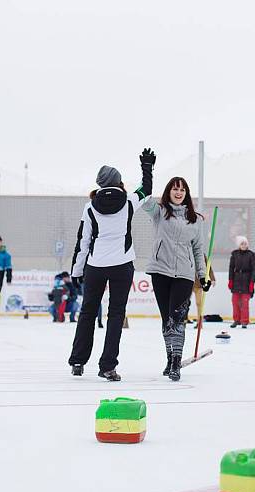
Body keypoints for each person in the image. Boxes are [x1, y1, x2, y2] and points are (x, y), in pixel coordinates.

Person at [68, 148, 154, 381]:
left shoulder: (90, 207)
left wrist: (76, 272)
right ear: (118, 182)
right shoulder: (128, 202)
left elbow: (82, 242)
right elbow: (146, 190)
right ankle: (108, 366)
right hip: (122, 265)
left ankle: (78, 360)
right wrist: (147, 167)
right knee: (116, 315)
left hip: (95, 266)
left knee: (87, 312)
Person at [144, 177, 210, 381]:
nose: (179, 192)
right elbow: (144, 199)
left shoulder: (195, 219)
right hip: (160, 271)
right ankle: (169, 357)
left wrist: (202, 275)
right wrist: (148, 172)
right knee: (167, 319)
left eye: (182, 189)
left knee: (178, 318)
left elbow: (198, 249)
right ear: (169, 191)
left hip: (184, 274)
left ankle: (176, 362)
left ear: (186, 193)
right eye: (175, 189)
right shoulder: (160, 212)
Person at [228, 236, 255, 328]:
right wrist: (230, 280)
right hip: (236, 280)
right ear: (239, 245)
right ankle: (236, 320)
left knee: (245, 303)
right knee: (235, 302)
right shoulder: (234, 254)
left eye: (245, 243)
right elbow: (231, 268)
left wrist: (252, 282)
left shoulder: (251, 255)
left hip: (247, 281)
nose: (244, 245)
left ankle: (244, 320)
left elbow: (254, 269)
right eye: (242, 243)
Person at [190, 255, 215, 329]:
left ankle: (199, 322)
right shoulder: (185, 251)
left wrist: (212, 278)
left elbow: (208, 267)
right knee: (184, 303)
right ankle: (182, 321)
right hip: (187, 282)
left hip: (198, 283)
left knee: (199, 303)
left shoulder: (200, 254)